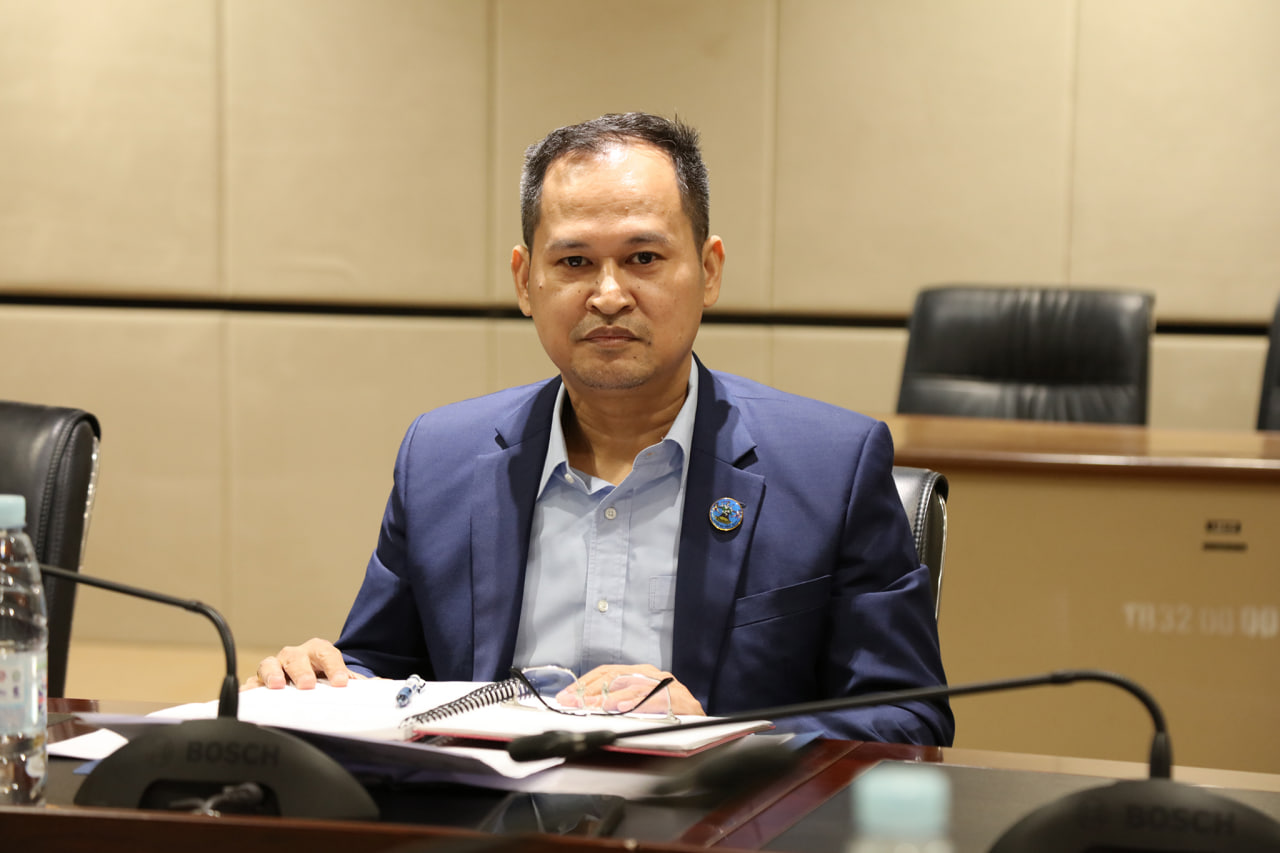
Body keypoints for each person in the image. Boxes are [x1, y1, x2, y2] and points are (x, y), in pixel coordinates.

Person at [249, 112, 954, 745]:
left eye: (644, 258)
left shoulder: (831, 467)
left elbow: (908, 717)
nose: (609, 295)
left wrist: (721, 732)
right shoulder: (440, 458)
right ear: (525, 282)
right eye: (574, 262)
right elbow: (386, 668)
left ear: (709, 271)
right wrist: (321, 680)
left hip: (720, 821)